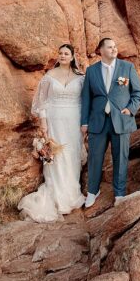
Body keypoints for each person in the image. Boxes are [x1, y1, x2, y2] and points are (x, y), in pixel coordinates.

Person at [17, 43, 86, 222]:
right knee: (56, 156)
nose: (62, 56)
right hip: (54, 120)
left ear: (72, 57)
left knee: (71, 155)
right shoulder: (49, 76)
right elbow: (42, 103)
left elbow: (86, 101)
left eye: (66, 53)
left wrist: (85, 124)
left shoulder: (81, 77)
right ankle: (57, 197)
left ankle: (72, 194)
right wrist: (44, 125)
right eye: (60, 53)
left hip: (74, 120)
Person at [80, 37, 140, 208]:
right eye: (110, 47)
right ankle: (93, 191)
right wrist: (84, 122)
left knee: (121, 158)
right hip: (97, 121)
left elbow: (138, 93)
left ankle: (120, 194)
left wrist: (130, 109)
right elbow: (86, 98)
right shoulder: (91, 71)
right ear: (101, 50)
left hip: (121, 120)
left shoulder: (127, 67)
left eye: (115, 47)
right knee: (95, 158)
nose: (114, 49)